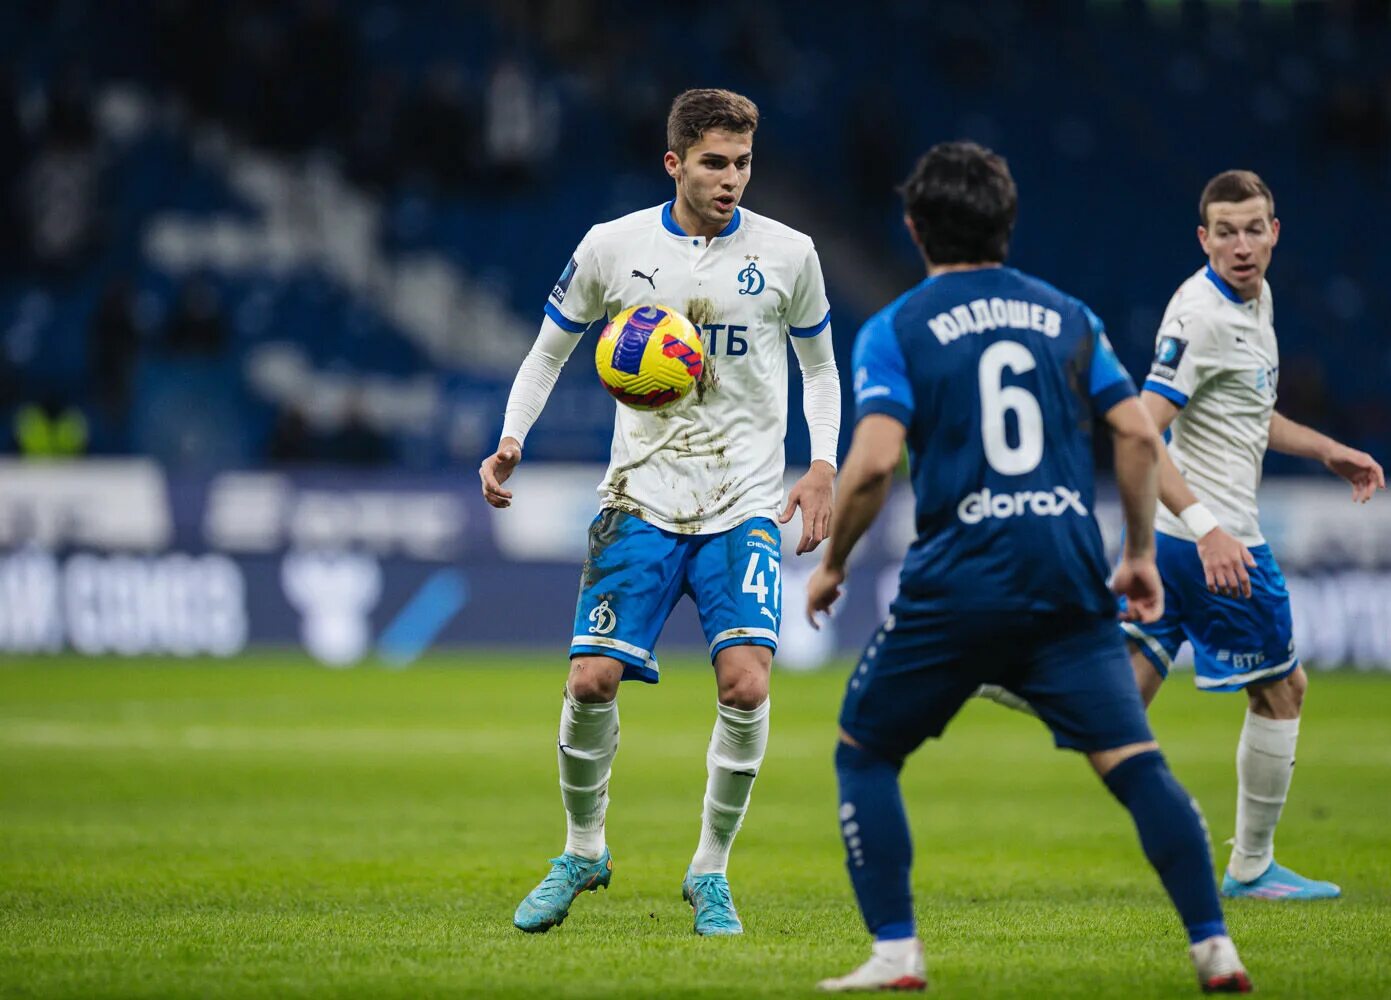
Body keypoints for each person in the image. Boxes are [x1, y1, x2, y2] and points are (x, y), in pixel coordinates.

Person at [805, 142, 1250, 994]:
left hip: (958, 580)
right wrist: (1140, 553)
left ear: (912, 227)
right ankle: (1214, 947)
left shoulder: (896, 329)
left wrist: (833, 565)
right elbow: (1134, 431)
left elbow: (867, 467)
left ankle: (896, 954)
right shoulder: (1070, 317)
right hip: (1067, 574)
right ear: (1009, 223)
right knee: (1134, 761)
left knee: (865, 752)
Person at [478, 88, 841, 936]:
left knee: (747, 684)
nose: (732, 179)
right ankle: (582, 849)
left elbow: (819, 370)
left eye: (744, 163)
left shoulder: (790, 255)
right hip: (638, 496)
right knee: (589, 679)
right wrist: (510, 440)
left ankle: (710, 872)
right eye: (715, 162)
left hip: (744, 501)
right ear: (674, 162)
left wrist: (822, 464)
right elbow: (547, 352)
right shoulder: (614, 247)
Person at [1107, 170, 1383, 899]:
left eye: (1253, 228)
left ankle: (1001, 664)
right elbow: (1140, 430)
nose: (1240, 245)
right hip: (1217, 545)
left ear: (1274, 232)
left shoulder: (1256, 302)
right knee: (1283, 690)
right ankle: (1252, 867)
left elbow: (1247, 411)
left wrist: (1326, 448)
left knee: (1114, 701)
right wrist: (1209, 531)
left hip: (1175, 540)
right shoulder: (1201, 314)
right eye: (1224, 232)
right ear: (1203, 239)